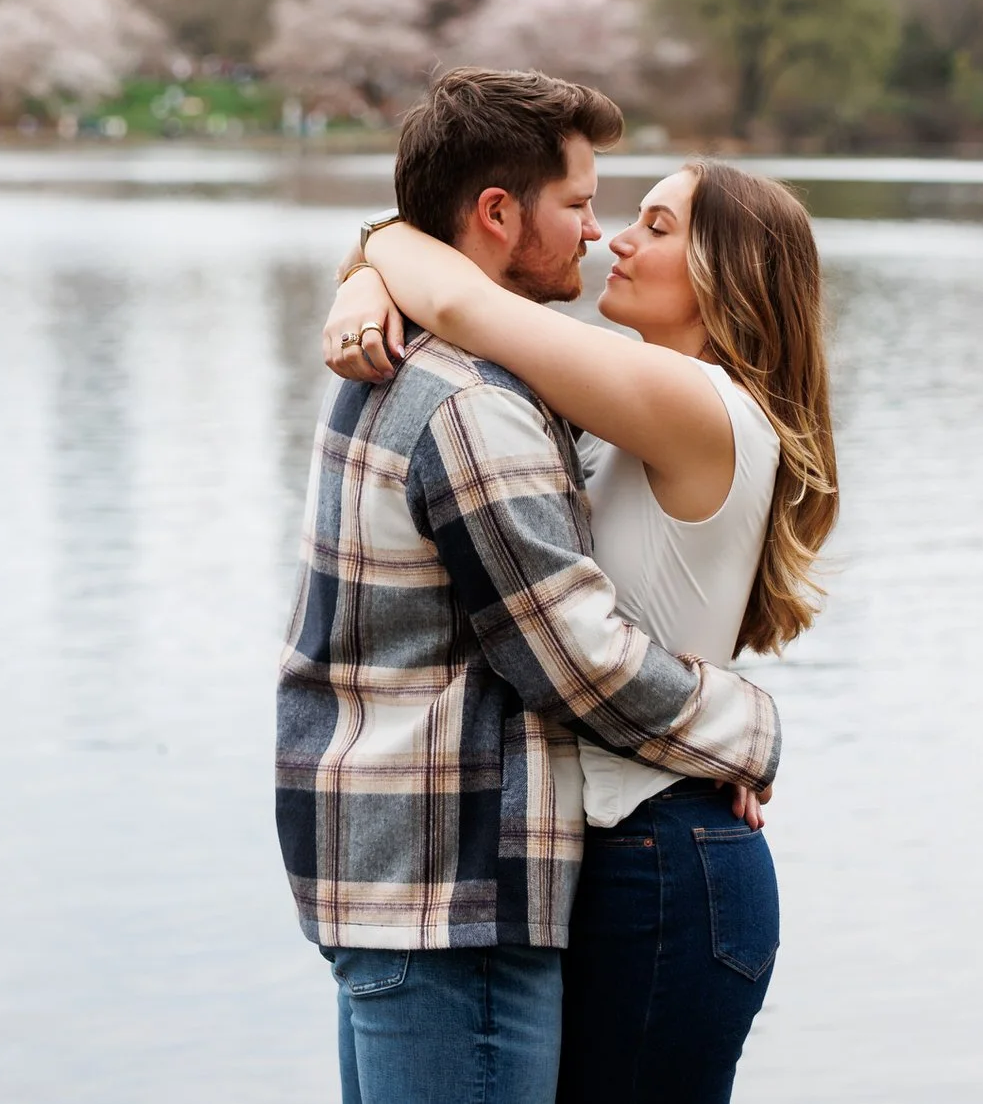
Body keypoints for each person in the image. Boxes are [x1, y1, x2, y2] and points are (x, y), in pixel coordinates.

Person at [275, 69, 784, 1104]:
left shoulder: (671, 402)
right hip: (490, 874)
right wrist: (752, 726)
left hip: (639, 848)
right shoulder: (497, 399)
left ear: (730, 272)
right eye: (590, 207)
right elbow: (579, 653)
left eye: (645, 222)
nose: (605, 238)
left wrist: (376, 255)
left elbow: (460, 290)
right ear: (501, 211)